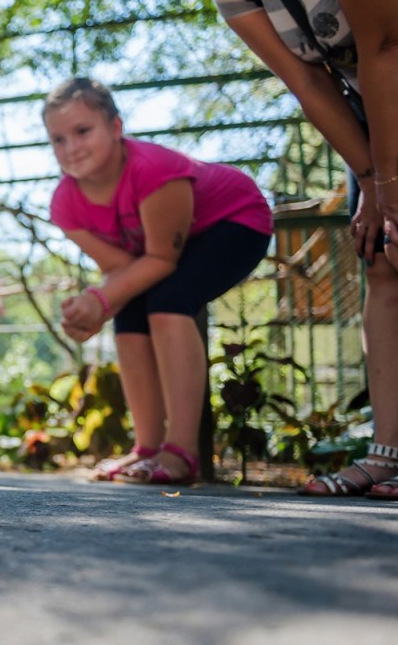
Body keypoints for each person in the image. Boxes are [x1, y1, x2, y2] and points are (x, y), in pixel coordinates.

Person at [185, 0, 398, 500]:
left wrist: (390, 178)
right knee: (381, 257)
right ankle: (391, 454)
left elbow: (386, 44)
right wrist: (370, 179)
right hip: (380, 104)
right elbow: (312, 86)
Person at [44, 78, 274, 484]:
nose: (71, 147)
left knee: (169, 301)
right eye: (58, 139)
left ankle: (182, 453)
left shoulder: (153, 169)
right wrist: (99, 306)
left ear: (116, 128)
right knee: (130, 313)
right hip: (161, 254)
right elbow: (123, 268)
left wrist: (99, 298)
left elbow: (161, 260)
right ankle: (146, 449)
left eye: (83, 131)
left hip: (234, 222)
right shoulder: (65, 203)